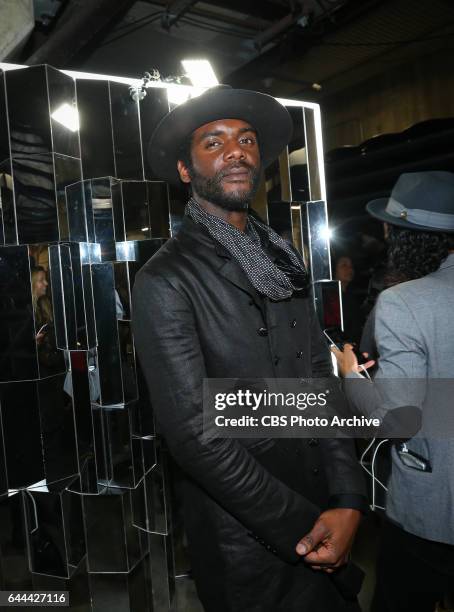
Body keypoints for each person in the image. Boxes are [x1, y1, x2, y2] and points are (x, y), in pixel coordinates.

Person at [132, 86, 367, 612]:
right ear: (187, 170)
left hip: (326, 512)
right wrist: (306, 527)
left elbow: (318, 386)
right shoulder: (165, 280)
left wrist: (349, 501)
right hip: (248, 544)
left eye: (247, 140)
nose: (235, 151)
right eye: (213, 143)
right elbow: (194, 434)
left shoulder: (280, 261)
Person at [333, 171, 454, 612]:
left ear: (398, 234)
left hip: (435, 510)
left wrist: (351, 376)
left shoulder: (403, 301)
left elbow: (399, 420)